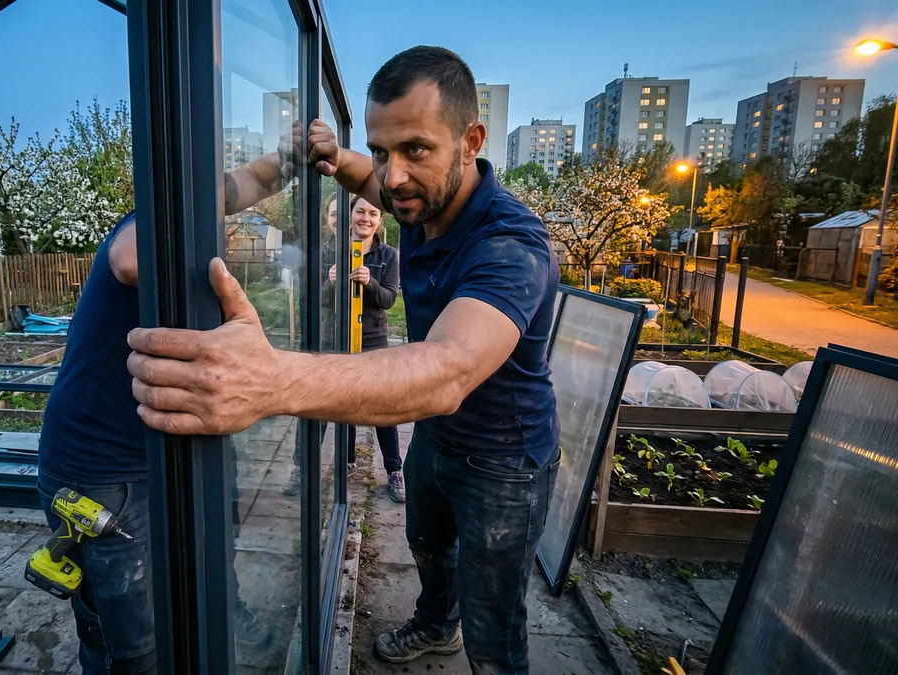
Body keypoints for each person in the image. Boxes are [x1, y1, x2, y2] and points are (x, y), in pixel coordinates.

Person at [126, 45, 560, 675]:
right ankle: (437, 626)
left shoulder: (510, 244)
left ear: (471, 141)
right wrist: (331, 157)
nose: (394, 176)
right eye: (383, 150)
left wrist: (273, 380)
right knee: (428, 546)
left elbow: (448, 370)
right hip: (442, 440)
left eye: (415, 149)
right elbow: (365, 177)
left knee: (494, 618)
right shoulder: (421, 201)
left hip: (505, 460)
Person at [37, 124, 309, 675]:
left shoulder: (201, 205)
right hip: (102, 472)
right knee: (133, 643)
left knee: (209, 563)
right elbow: (133, 262)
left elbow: (258, 178)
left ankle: (223, 619)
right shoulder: (145, 225)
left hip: (171, 444)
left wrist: (293, 156)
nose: (223, 195)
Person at [283, 194, 403, 501]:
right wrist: (329, 282)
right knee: (315, 404)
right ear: (350, 217)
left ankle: (394, 471)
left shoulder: (388, 255)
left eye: (372, 213)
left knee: (383, 408)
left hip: (373, 341)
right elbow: (314, 301)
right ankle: (301, 468)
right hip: (332, 340)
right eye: (359, 211)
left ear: (380, 220)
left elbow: (389, 299)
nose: (365, 218)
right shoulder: (327, 253)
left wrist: (370, 283)